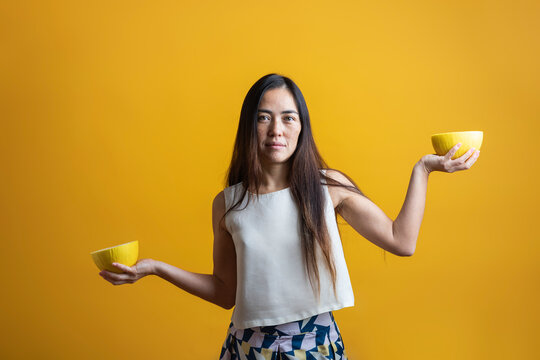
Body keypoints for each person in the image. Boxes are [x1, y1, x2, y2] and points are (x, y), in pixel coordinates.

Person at [98, 73, 481, 359]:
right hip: (248, 349)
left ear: (302, 127)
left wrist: (423, 170)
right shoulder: (228, 203)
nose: (276, 130)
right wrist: (155, 269)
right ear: (250, 126)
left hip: (316, 348)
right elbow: (225, 293)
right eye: (264, 118)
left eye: (288, 118)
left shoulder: (326, 186)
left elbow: (402, 242)